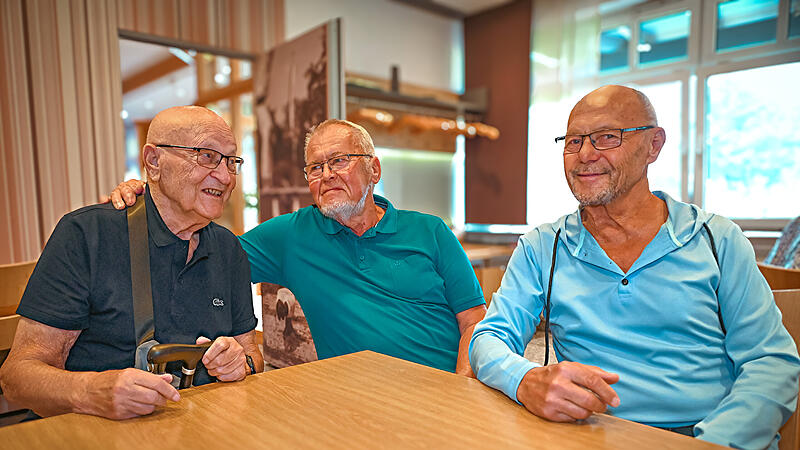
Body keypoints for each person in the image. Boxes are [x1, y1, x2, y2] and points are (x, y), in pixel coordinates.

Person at [468, 85, 800, 449]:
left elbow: (771, 362)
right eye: (574, 141)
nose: (585, 155)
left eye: (607, 137)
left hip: (710, 435)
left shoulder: (717, 240)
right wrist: (526, 379)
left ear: (653, 146)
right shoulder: (543, 246)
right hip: (592, 434)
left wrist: (713, 443)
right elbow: (489, 339)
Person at [108, 119, 486, 375]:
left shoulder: (430, 231)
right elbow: (200, 253)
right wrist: (153, 200)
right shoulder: (291, 236)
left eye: (339, 161)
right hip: (363, 402)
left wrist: (461, 388)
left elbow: (473, 321)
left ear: (374, 170)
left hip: (445, 387)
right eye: (315, 168)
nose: (327, 175)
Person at [0, 106, 263, 421]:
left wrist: (240, 363)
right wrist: (91, 391)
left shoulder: (228, 247)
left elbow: (252, 356)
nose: (224, 177)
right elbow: (16, 378)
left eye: (231, 161)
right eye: (206, 156)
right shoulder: (86, 235)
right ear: (154, 162)